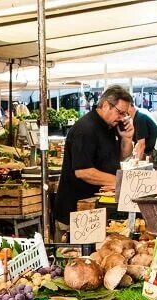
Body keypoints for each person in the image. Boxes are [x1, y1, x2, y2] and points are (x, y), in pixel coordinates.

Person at [54, 85, 135, 224]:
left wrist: (127, 138)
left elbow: (122, 157)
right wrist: (120, 182)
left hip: (97, 209)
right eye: (120, 112)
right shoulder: (85, 129)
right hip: (76, 212)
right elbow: (83, 172)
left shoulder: (111, 126)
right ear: (105, 105)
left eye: (125, 114)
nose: (122, 118)